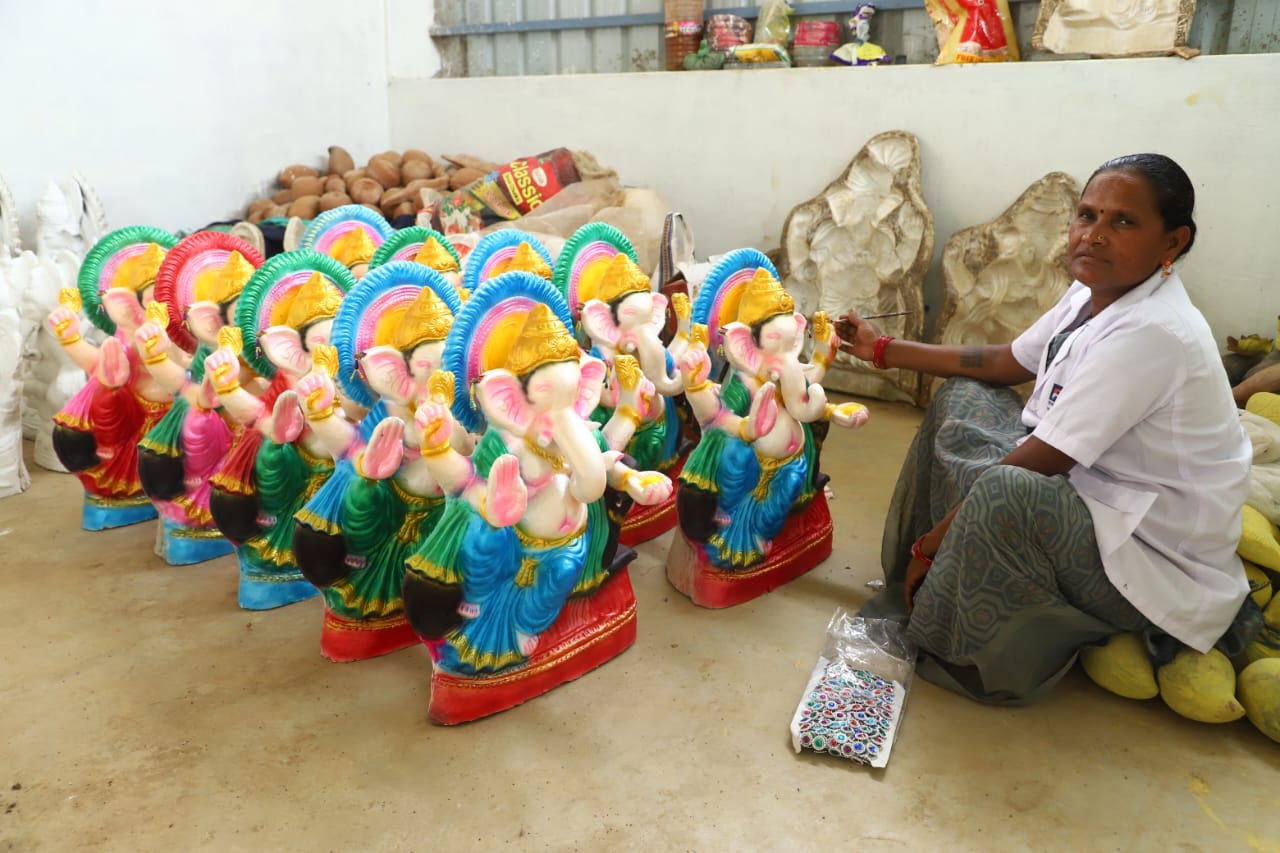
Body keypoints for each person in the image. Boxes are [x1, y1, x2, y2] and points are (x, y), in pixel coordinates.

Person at [836, 153, 1259, 705]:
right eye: (1087, 216)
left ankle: (957, 635)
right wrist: (883, 349)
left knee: (1004, 488)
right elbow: (1002, 363)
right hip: (1093, 492)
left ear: (1172, 243)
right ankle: (934, 583)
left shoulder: (1154, 331)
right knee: (964, 399)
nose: (1095, 236)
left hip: (1148, 561)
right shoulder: (1091, 293)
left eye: (1123, 222)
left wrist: (928, 545)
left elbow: (1043, 459)